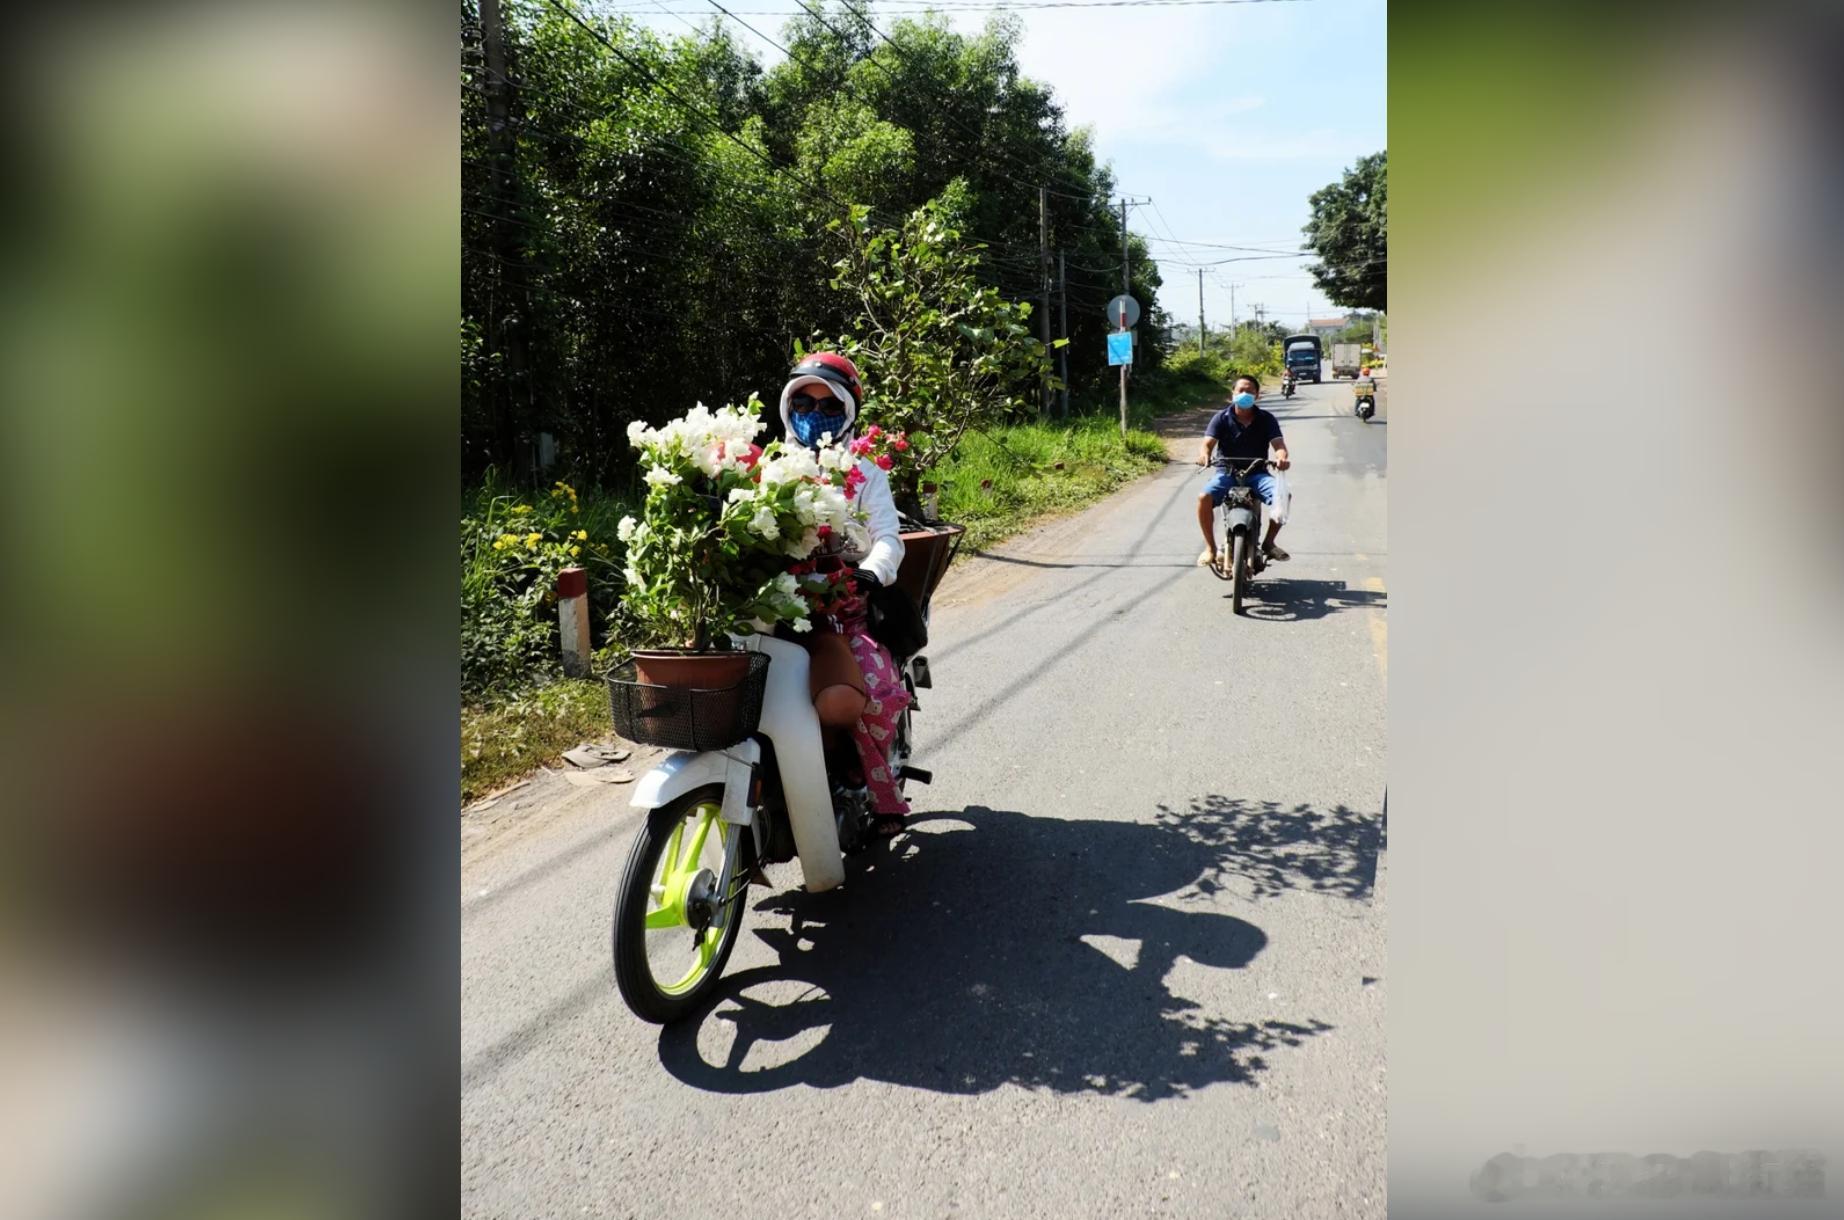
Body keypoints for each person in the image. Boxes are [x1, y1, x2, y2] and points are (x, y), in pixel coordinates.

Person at [777, 353, 912, 834]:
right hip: (774, 614)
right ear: (787, 408)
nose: (815, 415)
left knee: (870, 694)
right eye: (804, 403)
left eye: (828, 404)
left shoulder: (864, 474)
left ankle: (863, 780)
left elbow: (889, 539)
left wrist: (872, 572)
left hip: (842, 613)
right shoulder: (770, 469)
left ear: (849, 409)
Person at [1196, 374, 1292, 569]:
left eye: (1250, 391)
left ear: (1257, 395)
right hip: (1227, 473)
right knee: (1203, 497)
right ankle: (1210, 548)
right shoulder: (1221, 418)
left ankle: (1268, 543)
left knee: (1283, 495)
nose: (1245, 394)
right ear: (1233, 393)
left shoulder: (1266, 419)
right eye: (1241, 390)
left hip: (1257, 474)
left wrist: (1281, 457)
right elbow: (1207, 444)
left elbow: (1278, 444)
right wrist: (1204, 455)